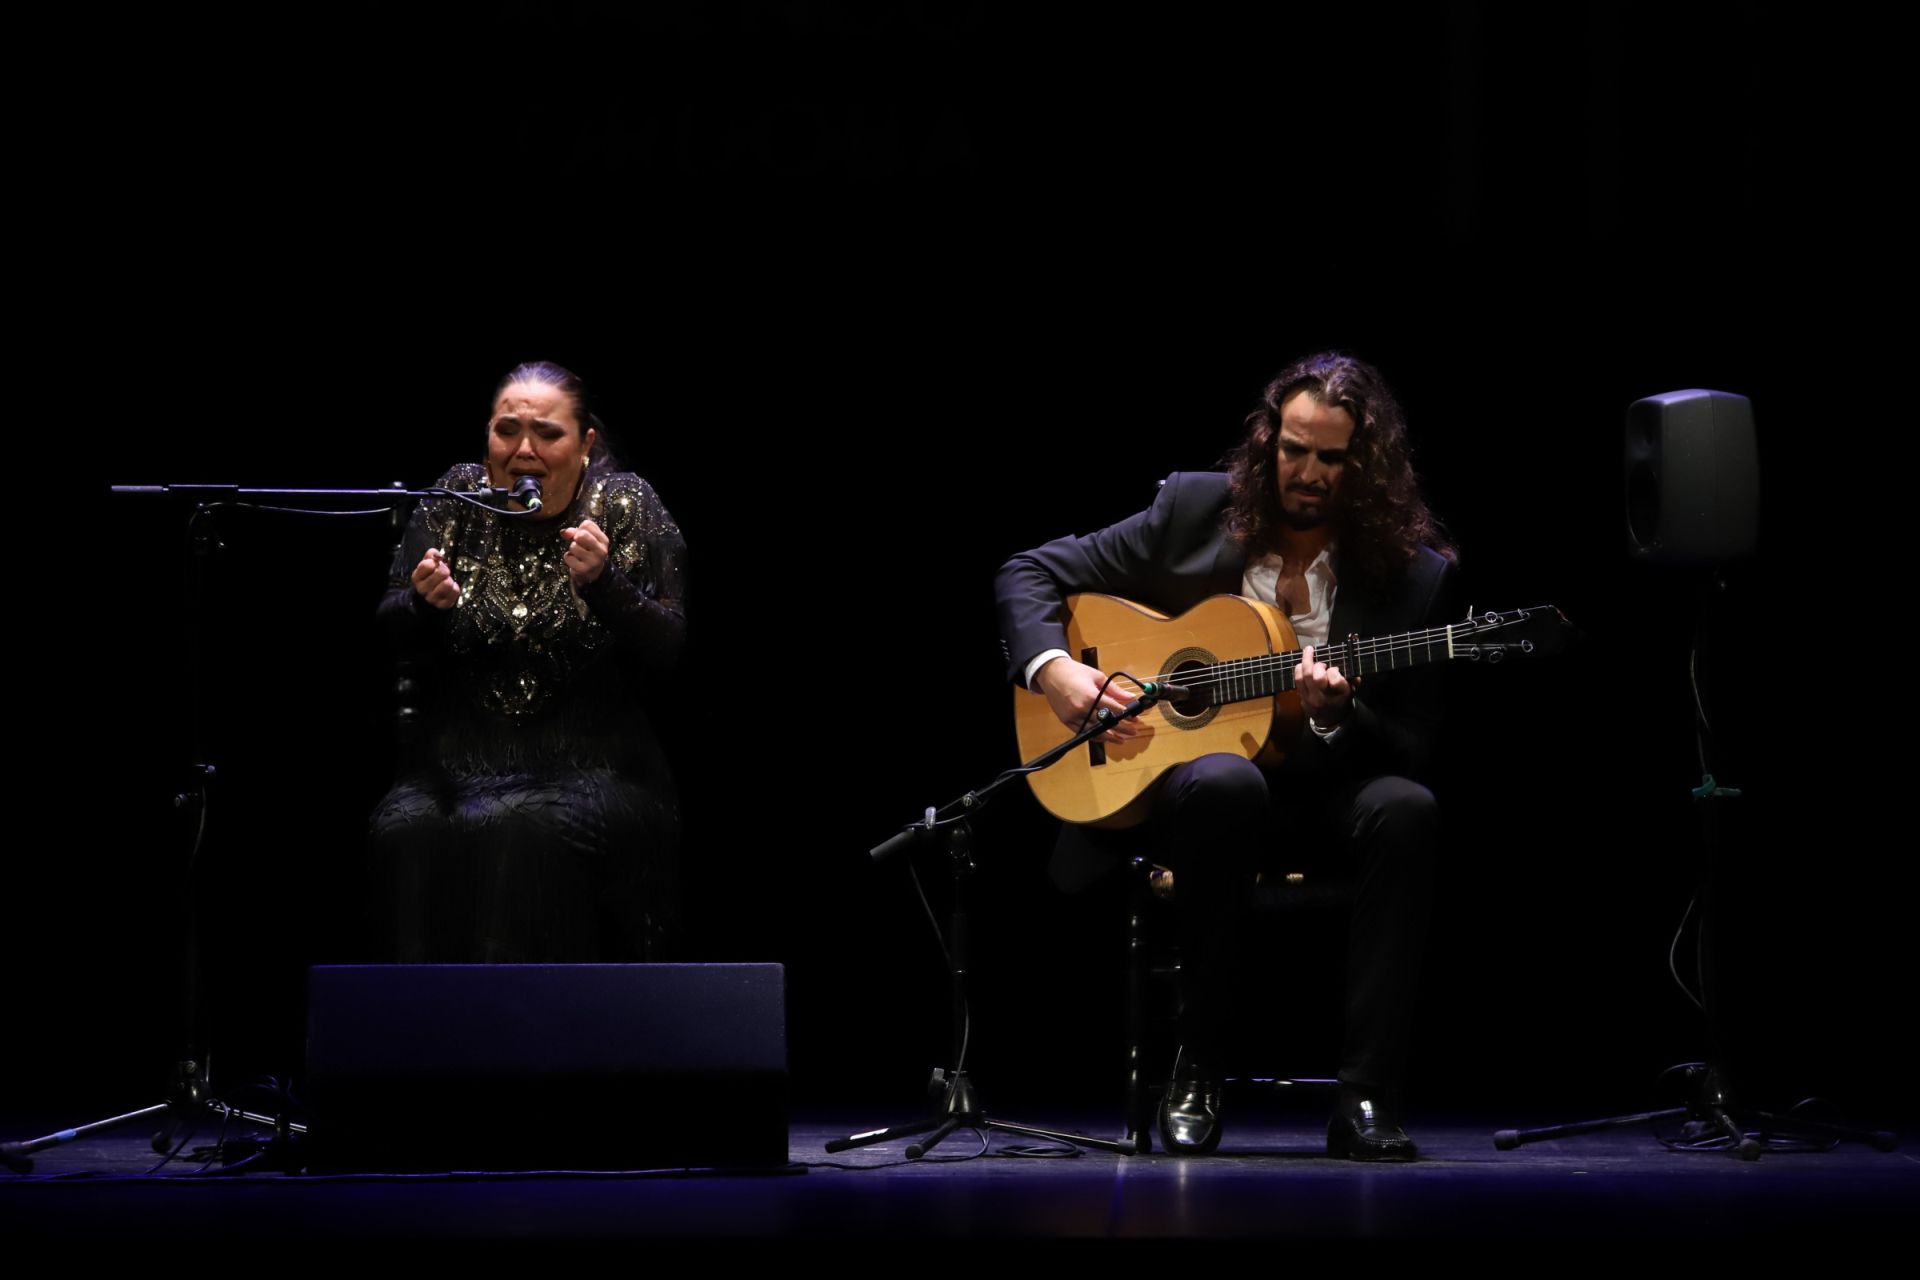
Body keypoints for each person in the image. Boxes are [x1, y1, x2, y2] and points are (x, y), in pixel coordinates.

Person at [995, 351, 1455, 1159]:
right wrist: (1057, 670)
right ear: (1268, 440)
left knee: (1407, 809)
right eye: (1291, 449)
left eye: (1330, 459)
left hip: (1325, 798)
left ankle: (1369, 1100)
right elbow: (1029, 571)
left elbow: (1414, 749)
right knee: (1225, 780)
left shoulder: (1412, 578)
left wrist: (1335, 720)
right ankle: (1196, 1068)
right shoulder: (1195, 511)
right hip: (1201, 807)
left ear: (1367, 466)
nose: (1306, 473)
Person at [371, 361, 686, 963]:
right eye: (506, 430)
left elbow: (669, 648)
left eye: (547, 433)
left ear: (585, 444)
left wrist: (606, 585)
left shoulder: (622, 503)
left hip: (595, 766)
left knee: (519, 826)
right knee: (399, 829)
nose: (523, 450)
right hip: (462, 765)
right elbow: (389, 627)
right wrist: (422, 604)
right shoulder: (457, 499)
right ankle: (416, 1046)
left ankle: (517, 1045)